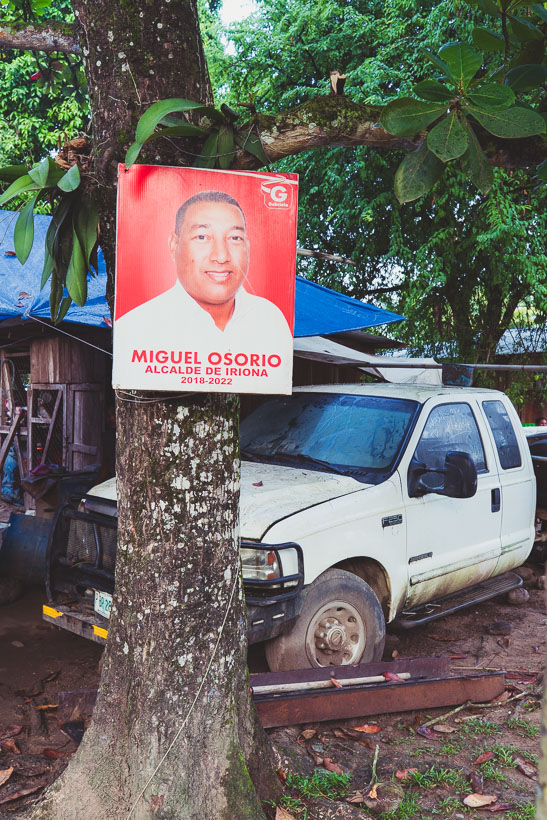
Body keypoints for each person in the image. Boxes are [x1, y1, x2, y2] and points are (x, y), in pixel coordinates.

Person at [113, 190, 293, 393]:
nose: (221, 256)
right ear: (174, 245)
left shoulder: (270, 319)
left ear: (248, 247)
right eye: (202, 237)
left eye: (234, 238)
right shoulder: (136, 326)